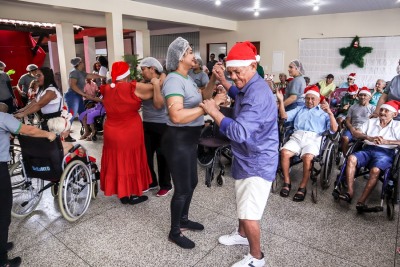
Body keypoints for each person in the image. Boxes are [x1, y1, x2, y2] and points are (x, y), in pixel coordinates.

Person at [201, 41, 279, 267]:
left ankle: (256, 257)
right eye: (230, 72)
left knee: (249, 213)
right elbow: (237, 91)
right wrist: (223, 79)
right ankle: (241, 235)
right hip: (247, 156)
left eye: (237, 72)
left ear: (253, 66)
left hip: (257, 160)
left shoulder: (258, 95)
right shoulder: (251, 85)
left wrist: (214, 111)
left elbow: (240, 132)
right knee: (243, 203)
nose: (233, 77)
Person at [162, 37, 213, 249]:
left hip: (190, 140)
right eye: (190, 51)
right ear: (180, 57)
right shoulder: (174, 80)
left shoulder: (189, 77)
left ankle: (183, 220)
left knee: (191, 183)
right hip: (178, 140)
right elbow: (176, 115)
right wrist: (207, 109)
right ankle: (175, 231)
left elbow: (203, 97)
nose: (194, 55)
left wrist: (214, 82)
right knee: (182, 188)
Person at [0, 102, 56, 267]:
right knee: (3, 214)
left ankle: (1, 244)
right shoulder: (2, 118)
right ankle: (2, 260)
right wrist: (47, 134)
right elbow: (29, 130)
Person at [100, 61, 156, 205]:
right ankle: (132, 194)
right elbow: (152, 90)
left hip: (111, 131)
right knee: (131, 161)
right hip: (129, 130)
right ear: (126, 75)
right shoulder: (132, 87)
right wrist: (156, 81)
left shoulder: (106, 88)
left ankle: (122, 193)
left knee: (117, 161)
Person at [276, 85, 337, 202]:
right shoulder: (300, 109)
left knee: (308, 157)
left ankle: (302, 187)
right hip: (297, 136)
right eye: (307, 98)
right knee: (284, 152)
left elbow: (334, 130)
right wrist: (280, 101)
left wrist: (330, 113)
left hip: (314, 138)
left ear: (319, 100)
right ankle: (287, 183)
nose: (309, 101)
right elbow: (284, 116)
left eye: (313, 99)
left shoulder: (324, 113)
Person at [340, 100, 400, 211]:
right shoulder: (371, 121)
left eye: (386, 110)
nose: (382, 112)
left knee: (375, 170)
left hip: (385, 153)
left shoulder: (398, 125)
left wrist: (388, 142)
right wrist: (369, 138)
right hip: (367, 149)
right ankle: (349, 192)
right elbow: (356, 133)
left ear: (394, 114)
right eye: (381, 109)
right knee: (351, 158)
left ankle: (361, 201)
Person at [139, 57, 172, 197]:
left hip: (162, 124)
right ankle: (151, 181)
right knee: (146, 155)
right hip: (146, 123)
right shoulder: (145, 83)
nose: (142, 73)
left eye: (143, 69)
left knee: (162, 155)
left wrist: (157, 85)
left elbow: (159, 104)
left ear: (152, 69)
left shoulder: (166, 83)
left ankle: (166, 185)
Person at [64, 57, 104, 141]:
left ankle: (87, 131)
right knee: (71, 115)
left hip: (78, 96)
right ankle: (66, 135)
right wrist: (84, 94)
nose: (83, 64)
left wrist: (102, 76)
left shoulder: (81, 73)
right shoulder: (73, 72)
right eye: (82, 62)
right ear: (78, 64)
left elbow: (92, 75)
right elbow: (73, 85)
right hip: (72, 95)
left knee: (83, 114)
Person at [14, 67, 63, 132]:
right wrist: (22, 110)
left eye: (39, 76)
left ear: (46, 76)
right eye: (36, 76)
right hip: (47, 120)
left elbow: (39, 105)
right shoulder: (42, 90)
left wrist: (23, 114)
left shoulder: (51, 91)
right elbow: (35, 101)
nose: (36, 79)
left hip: (55, 122)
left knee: (54, 140)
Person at [340, 87, 375, 156]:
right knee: (344, 138)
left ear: (369, 97)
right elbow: (347, 120)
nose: (362, 97)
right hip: (353, 128)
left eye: (365, 95)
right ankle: (345, 156)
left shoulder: (373, 108)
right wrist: (351, 128)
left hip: (366, 131)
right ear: (358, 96)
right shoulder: (353, 107)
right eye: (361, 95)